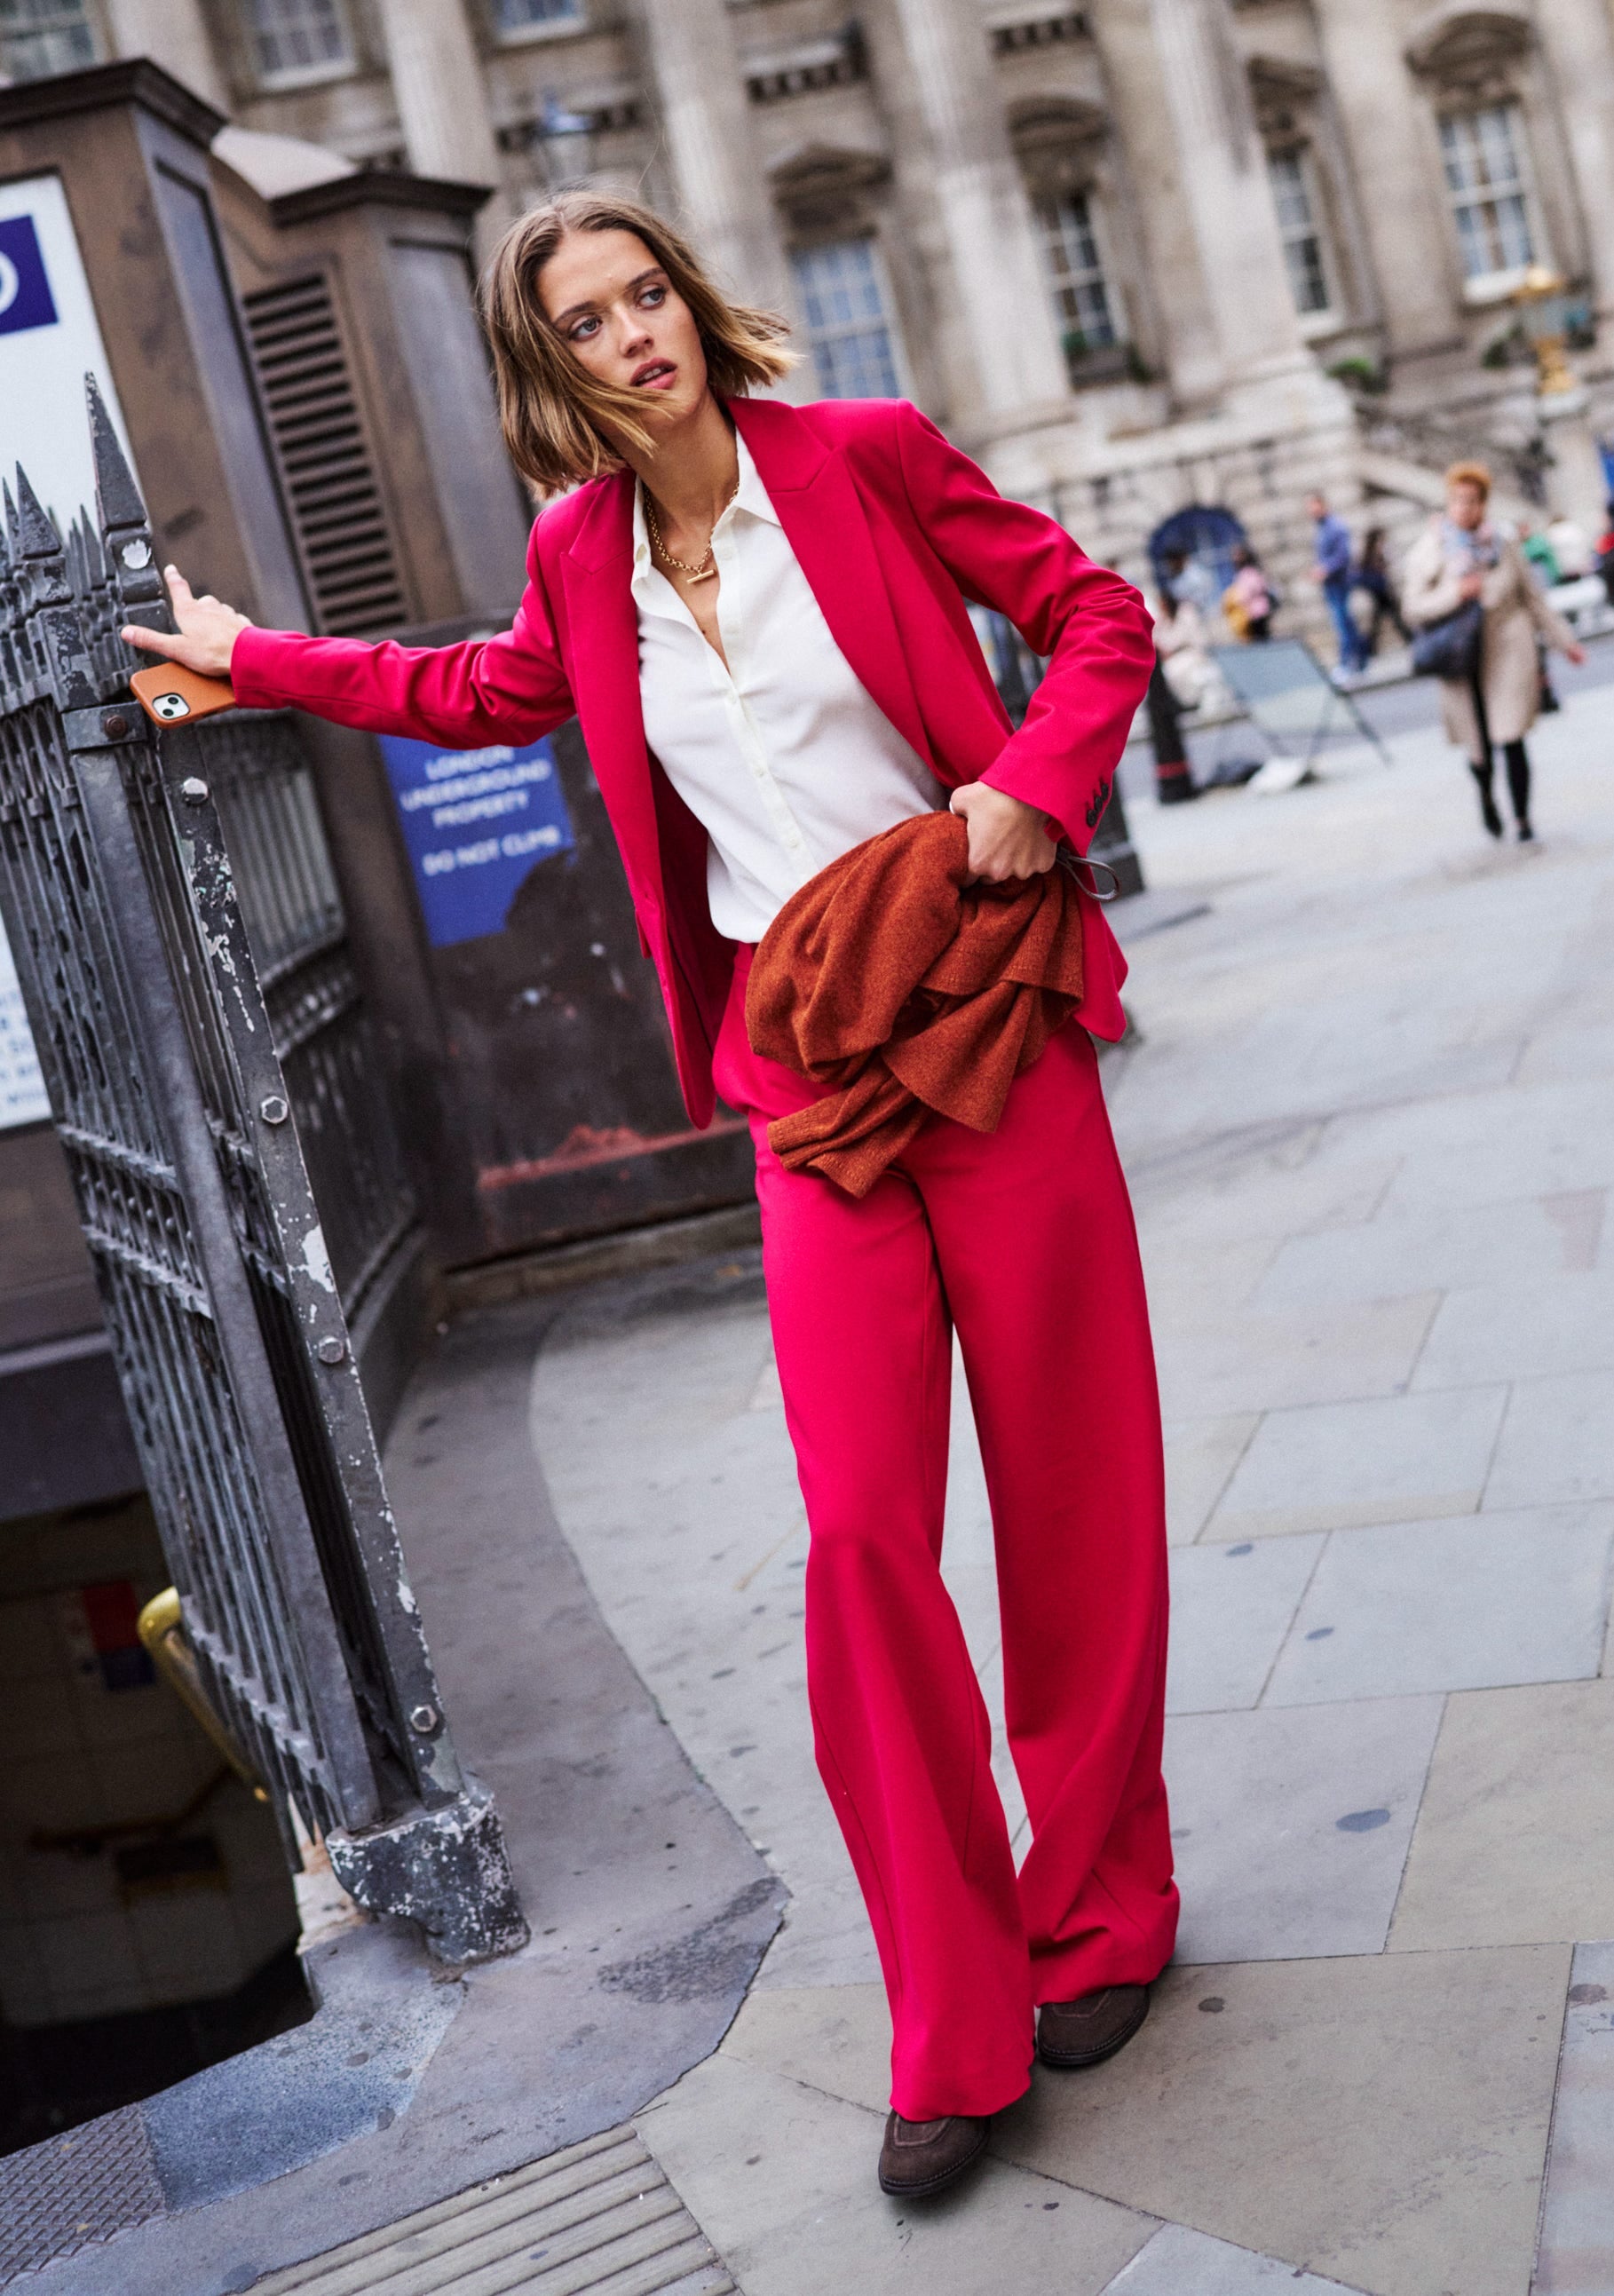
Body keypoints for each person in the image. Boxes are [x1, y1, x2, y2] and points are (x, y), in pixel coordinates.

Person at [122, 192, 1176, 2205]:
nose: (634, 336)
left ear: (693, 305)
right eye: (588, 322)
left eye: (647, 295)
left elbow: (1090, 615)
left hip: (989, 1029)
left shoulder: (860, 461)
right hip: (806, 1086)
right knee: (864, 1538)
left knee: (1070, 1504)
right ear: (553, 374)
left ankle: (1105, 1912)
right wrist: (250, 654)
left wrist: (1036, 785)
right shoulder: (576, 556)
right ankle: (954, 2019)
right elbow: (478, 695)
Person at [1402, 460, 1585, 843]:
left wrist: (1565, 642)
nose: (1465, 508)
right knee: (1479, 745)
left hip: (1507, 651)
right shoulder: (1430, 549)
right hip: (1460, 657)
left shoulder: (1504, 543)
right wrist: (1456, 593)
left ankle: (1522, 818)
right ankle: (1486, 796)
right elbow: (1413, 607)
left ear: (1484, 504)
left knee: (1512, 734)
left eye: (1473, 500)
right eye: (1458, 500)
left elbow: (1532, 598)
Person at [1307, 490, 1367, 680]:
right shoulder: (1322, 528)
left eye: (1313, 506)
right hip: (1331, 584)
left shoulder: (1335, 527)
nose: (1311, 511)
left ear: (1322, 504)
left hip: (1339, 583)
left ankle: (1346, 664)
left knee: (1342, 623)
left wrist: (1325, 569)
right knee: (1346, 624)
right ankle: (1360, 662)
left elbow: (1343, 556)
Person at [1356, 526, 1412, 651]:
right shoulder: (1369, 554)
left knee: (1388, 619)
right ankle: (1370, 647)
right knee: (1391, 618)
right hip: (1378, 592)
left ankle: (1371, 648)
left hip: (1383, 591)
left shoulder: (1379, 552)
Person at [1222, 544, 1275, 643]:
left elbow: (1256, 588)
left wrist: (1242, 598)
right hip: (1249, 613)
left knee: (1261, 639)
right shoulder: (1241, 574)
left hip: (1258, 612)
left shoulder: (1252, 572)